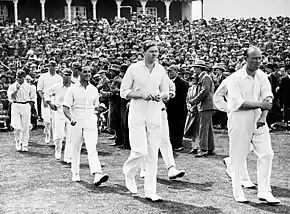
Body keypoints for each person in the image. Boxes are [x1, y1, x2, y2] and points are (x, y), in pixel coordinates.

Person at [227, 46, 280, 204]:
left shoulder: (262, 75)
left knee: (267, 154)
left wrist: (263, 116)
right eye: (254, 58)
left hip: (258, 120)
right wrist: (261, 105)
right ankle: (238, 191)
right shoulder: (234, 78)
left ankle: (264, 191)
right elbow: (239, 103)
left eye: (260, 58)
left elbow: (268, 98)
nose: (258, 61)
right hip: (239, 120)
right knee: (238, 157)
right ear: (245, 59)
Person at [120, 40, 169, 202]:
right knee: (140, 151)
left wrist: (160, 96)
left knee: (153, 153)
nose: (154, 54)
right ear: (144, 52)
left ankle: (150, 191)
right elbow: (123, 92)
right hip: (137, 112)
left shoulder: (161, 69)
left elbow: (166, 91)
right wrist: (140, 95)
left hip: (154, 112)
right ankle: (129, 172)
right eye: (151, 51)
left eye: (156, 52)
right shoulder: (134, 68)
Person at [63, 66, 109, 186]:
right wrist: (71, 118)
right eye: (85, 72)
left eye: (89, 72)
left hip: (90, 119)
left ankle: (97, 174)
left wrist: (99, 109)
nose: (87, 74)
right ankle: (75, 172)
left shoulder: (93, 89)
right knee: (76, 147)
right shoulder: (72, 89)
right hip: (76, 119)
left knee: (92, 147)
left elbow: (96, 106)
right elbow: (66, 107)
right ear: (80, 74)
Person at [139, 74, 186, 180]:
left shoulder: (161, 74)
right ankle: (144, 168)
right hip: (146, 111)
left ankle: (171, 168)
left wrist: (169, 94)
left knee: (165, 139)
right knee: (146, 140)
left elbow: (171, 86)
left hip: (161, 110)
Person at [213, 74, 256, 189]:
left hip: (252, 116)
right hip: (235, 117)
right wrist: (228, 108)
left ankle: (230, 161)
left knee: (250, 145)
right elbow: (217, 97)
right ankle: (243, 178)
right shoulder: (230, 80)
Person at [45, 68, 73, 163]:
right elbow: (47, 94)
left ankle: (67, 156)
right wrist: (50, 103)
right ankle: (58, 150)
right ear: (62, 75)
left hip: (70, 112)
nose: (67, 77)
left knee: (70, 136)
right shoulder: (57, 86)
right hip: (59, 111)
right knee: (59, 135)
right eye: (65, 75)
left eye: (69, 75)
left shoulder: (74, 87)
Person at [188, 60, 215, 157]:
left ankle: (203, 149)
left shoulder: (205, 77)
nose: (194, 70)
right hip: (206, 105)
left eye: (195, 68)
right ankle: (210, 148)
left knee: (203, 128)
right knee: (208, 128)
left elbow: (204, 91)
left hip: (206, 105)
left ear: (200, 68)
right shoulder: (204, 77)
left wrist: (194, 101)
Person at [7, 70, 36, 152]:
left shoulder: (30, 87)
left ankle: (25, 145)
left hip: (25, 105)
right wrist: (16, 90)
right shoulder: (12, 86)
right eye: (17, 77)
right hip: (15, 105)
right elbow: (11, 98)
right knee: (17, 126)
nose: (18, 79)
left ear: (24, 77)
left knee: (25, 127)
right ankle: (17, 142)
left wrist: (30, 107)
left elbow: (32, 98)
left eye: (20, 77)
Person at [37, 60, 62, 144]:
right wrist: (44, 99)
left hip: (55, 99)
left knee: (55, 120)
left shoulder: (59, 77)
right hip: (45, 98)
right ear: (48, 67)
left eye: (54, 66)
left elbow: (61, 90)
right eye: (51, 66)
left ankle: (55, 138)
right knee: (47, 120)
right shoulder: (43, 76)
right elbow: (39, 90)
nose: (53, 67)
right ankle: (47, 134)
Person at [166, 65, 189, 151]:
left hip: (178, 109)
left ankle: (177, 144)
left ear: (176, 72)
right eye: (168, 71)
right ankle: (171, 143)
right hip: (169, 108)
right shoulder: (167, 82)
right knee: (170, 126)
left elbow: (181, 98)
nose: (169, 73)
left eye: (171, 71)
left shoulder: (182, 83)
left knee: (178, 127)